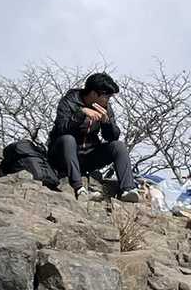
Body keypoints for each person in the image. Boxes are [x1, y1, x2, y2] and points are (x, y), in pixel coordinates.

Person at [47, 71, 140, 204]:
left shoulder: (105, 107)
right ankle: (78, 187)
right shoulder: (69, 101)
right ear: (94, 93)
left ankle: (128, 189)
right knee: (68, 139)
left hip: (88, 156)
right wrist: (81, 114)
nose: (108, 100)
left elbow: (112, 137)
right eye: (106, 96)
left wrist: (106, 123)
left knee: (118, 146)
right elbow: (61, 128)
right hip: (64, 156)